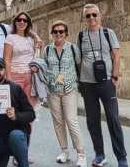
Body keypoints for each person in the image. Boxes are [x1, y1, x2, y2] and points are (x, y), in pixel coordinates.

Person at [77, 4, 128, 167]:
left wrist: (114, 77)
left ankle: (121, 157)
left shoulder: (108, 33)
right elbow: (78, 59)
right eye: (88, 16)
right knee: (92, 120)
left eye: (94, 15)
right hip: (88, 84)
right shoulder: (80, 36)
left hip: (106, 82)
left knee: (113, 118)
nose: (91, 18)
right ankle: (100, 154)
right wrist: (80, 79)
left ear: (99, 15)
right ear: (84, 18)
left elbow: (116, 56)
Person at [43, 20, 86, 167]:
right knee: (58, 122)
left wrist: (81, 85)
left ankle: (81, 154)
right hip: (53, 90)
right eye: (55, 32)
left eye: (61, 31)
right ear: (52, 34)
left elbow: (79, 67)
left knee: (71, 120)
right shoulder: (47, 50)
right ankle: (64, 151)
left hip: (69, 89)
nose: (58, 34)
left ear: (66, 33)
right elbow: (45, 67)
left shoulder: (73, 49)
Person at [3, 11, 39, 165]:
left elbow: (36, 55)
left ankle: (23, 152)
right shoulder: (10, 38)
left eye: (25, 20)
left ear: (28, 22)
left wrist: (36, 37)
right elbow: (7, 60)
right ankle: (11, 151)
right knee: (14, 115)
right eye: (19, 20)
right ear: (15, 22)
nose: (22, 22)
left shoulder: (31, 38)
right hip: (15, 77)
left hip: (30, 78)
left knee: (29, 117)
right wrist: (9, 81)